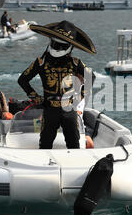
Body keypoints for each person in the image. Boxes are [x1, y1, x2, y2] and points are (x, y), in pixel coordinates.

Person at [18, 20, 96, 150]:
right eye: (55, 44)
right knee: (45, 145)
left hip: (69, 109)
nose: (57, 48)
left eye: (61, 45)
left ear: (69, 47)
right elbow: (22, 80)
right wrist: (36, 98)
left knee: (74, 146)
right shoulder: (41, 62)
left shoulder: (75, 63)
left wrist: (80, 96)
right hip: (50, 110)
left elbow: (91, 77)